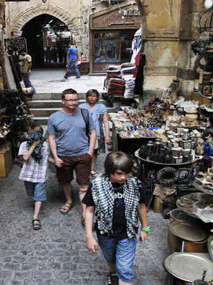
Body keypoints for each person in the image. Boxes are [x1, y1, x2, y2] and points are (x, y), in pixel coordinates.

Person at [83, 151, 149, 285]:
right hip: (105, 234)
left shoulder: (135, 185)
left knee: (125, 269)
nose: (124, 177)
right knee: (110, 259)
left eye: (127, 173)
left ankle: (121, 276)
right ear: (109, 171)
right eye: (119, 173)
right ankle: (113, 274)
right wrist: (89, 237)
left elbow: (141, 207)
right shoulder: (96, 185)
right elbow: (89, 211)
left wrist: (145, 228)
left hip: (127, 234)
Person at [47, 88, 96, 218]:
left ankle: (85, 212)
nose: (73, 103)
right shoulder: (54, 118)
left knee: (84, 185)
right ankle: (69, 201)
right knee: (65, 181)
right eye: (70, 100)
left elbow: (93, 132)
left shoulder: (85, 114)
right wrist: (55, 157)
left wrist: (90, 152)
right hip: (63, 156)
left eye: (75, 100)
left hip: (82, 155)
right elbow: (51, 137)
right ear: (63, 101)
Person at [18, 124, 49, 230]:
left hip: (40, 175)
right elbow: (25, 158)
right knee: (31, 193)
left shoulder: (45, 145)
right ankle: (36, 202)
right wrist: (33, 146)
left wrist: (57, 161)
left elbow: (46, 157)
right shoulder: (24, 145)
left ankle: (35, 217)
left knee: (39, 196)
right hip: (28, 175)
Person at [79, 89, 111, 177]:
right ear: (86, 97)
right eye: (90, 96)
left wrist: (107, 134)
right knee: (83, 150)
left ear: (97, 97)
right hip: (84, 132)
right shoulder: (82, 107)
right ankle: (84, 168)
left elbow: (105, 121)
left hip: (97, 132)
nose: (92, 98)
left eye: (94, 96)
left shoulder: (101, 107)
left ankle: (92, 168)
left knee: (94, 151)